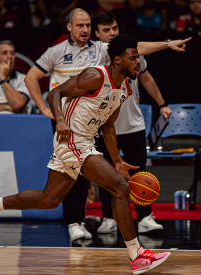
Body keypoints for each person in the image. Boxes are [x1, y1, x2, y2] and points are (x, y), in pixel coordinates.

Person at [0, 34, 172, 274]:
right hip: (71, 139)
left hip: (85, 142)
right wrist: (61, 121)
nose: (138, 62)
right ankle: (136, 255)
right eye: (133, 57)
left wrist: (116, 160)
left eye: (138, 57)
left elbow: (107, 127)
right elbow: (54, 94)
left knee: (49, 199)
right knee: (121, 188)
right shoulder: (95, 75)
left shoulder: (124, 89)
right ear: (117, 60)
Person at [24, 8, 191, 241]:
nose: (84, 29)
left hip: (95, 124)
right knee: (71, 182)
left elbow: (137, 48)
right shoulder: (55, 52)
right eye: (79, 25)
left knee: (103, 178)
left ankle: (134, 230)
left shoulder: (101, 49)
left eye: (86, 25)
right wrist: (45, 110)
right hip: (67, 124)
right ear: (69, 27)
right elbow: (31, 79)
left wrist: (166, 44)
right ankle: (76, 222)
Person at [93, 11, 172, 234]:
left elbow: (145, 76)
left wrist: (162, 103)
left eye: (114, 29)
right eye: (106, 30)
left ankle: (145, 217)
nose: (111, 33)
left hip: (133, 124)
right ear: (96, 34)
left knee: (139, 172)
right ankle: (108, 218)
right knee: (106, 173)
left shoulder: (133, 54)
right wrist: (168, 43)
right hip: (105, 126)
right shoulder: (96, 55)